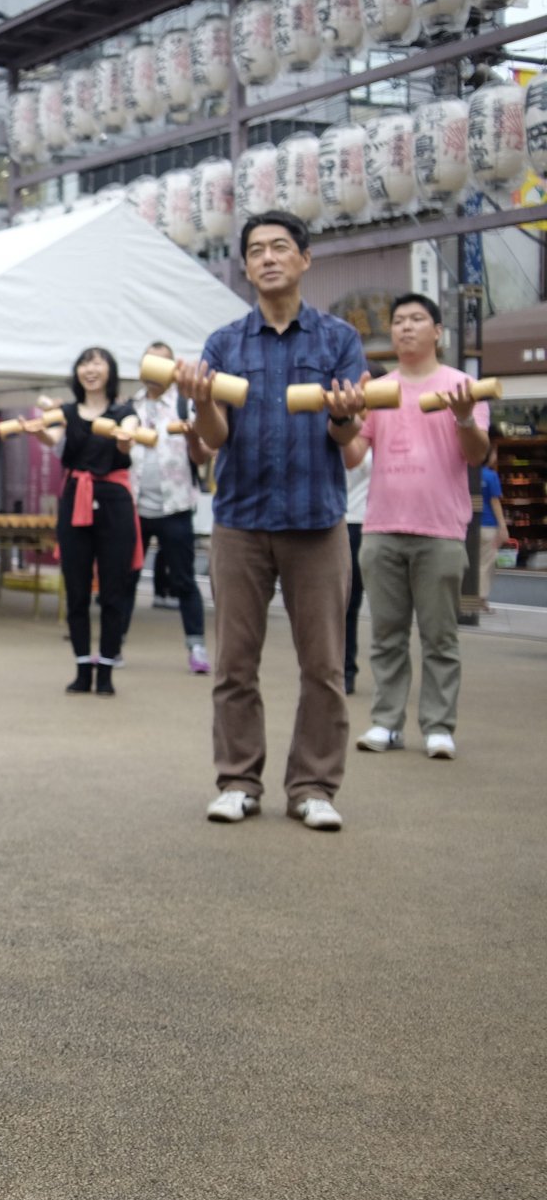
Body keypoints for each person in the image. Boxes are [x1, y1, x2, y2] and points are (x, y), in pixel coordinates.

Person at [174, 211, 368, 832]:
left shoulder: (338, 340)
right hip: (240, 521)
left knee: (324, 666)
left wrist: (343, 414)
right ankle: (237, 780)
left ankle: (313, 786)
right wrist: (203, 400)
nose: (267, 258)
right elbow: (213, 437)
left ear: (305, 259)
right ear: (246, 266)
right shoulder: (224, 344)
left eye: (280, 247)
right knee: (235, 663)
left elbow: (347, 435)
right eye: (255, 250)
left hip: (317, 521)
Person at [346, 293, 491, 760]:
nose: (405, 327)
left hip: (441, 529)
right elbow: (352, 457)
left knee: (439, 635)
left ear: (437, 332)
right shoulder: (379, 388)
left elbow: (476, 455)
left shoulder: (461, 385)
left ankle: (439, 725)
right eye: (399, 321)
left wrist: (464, 414)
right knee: (385, 634)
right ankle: (386, 722)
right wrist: (348, 418)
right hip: (381, 526)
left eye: (416, 319)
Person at [30, 348, 140, 695]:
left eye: (97, 362)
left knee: (113, 590)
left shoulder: (125, 412)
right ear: (77, 372)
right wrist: (37, 432)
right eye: (84, 363)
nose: (90, 369)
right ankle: (81, 668)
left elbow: (128, 442)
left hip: (114, 502)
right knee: (76, 590)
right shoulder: (65, 413)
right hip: (75, 497)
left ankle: (106, 670)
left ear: (110, 370)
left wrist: (124, 439)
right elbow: (57, 443)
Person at [128, 341, 209, 675]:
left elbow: (203, 456)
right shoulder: (129, 406)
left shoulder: (184, 404)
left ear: (174, 369)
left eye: (162, 363)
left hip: (175, 506)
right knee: (125, 578)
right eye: (149, 361)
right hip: (134, 506)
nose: (154, 369)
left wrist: (191, 437)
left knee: (184, 579)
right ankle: (112, 646)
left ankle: (197, 646)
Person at [343, 440, 371, 695]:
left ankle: (346, 669)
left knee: (353, 603)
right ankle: (344, 669)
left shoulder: (377, 435)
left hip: (372, 524)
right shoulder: (335, 431)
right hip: (340, 521)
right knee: (344, 603)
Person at [480, 448, 507, 610]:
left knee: (472, 562)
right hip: (488, 525)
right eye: (495, 453)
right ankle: (481, 600)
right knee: (486, 564)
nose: (496, 456)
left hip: (468, 526)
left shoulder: (467, 473)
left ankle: (467, 599)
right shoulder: (491, 476)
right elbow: (495, 502)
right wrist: (502, 526)